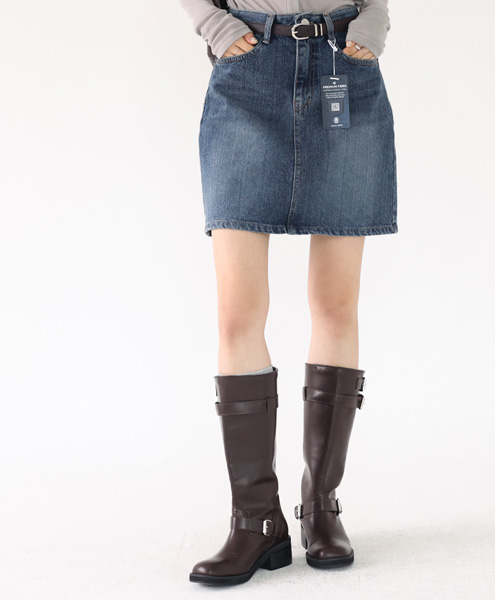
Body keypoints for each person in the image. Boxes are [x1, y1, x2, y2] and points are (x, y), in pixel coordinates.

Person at [178, 0, 396, 586]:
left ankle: (321, 504)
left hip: (343, 66)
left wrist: (372, 25)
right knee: (237, 314)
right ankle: (256, 521)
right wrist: (215, 26)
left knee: (335, 305)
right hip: (248, 73)